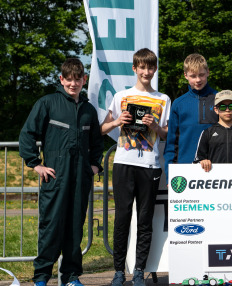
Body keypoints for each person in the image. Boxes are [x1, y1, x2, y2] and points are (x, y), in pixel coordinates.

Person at [19, 58, 104, 286]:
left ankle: (71, 277)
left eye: (78, 79)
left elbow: (97, 142)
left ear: (84, 80)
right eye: (69, 79)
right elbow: (27, 135)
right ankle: (41, 278)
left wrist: (95, 165)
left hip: (80, 180)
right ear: (61, 79)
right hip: (55, 178)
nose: (73, 84)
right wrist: (35, 164)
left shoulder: (88, 110)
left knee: (75, 229)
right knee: (51, 228)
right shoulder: (47, 103)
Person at [101, 48, 171, 286]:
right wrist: (117, 121)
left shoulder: (163, 99)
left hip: (150, 165)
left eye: (150, 67)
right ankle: (119, 271)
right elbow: (102, 128)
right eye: (142, 67)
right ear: (135, 68)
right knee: (121, 218)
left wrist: (156, 128)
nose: (146, 71)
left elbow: (167, 134)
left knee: (145, 220)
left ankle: (139, 270)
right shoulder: (121, 96)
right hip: (124, 163)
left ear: (155, 69)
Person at [163, 53, 218, 179]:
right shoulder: (178, 104)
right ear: (185, 75)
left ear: (208, 72)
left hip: (215, 169)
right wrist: (170, 175)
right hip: (185, 170)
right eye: (193, 76)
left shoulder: (220, 100)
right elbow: (172, 143)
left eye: (201, 75)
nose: (198, 80)